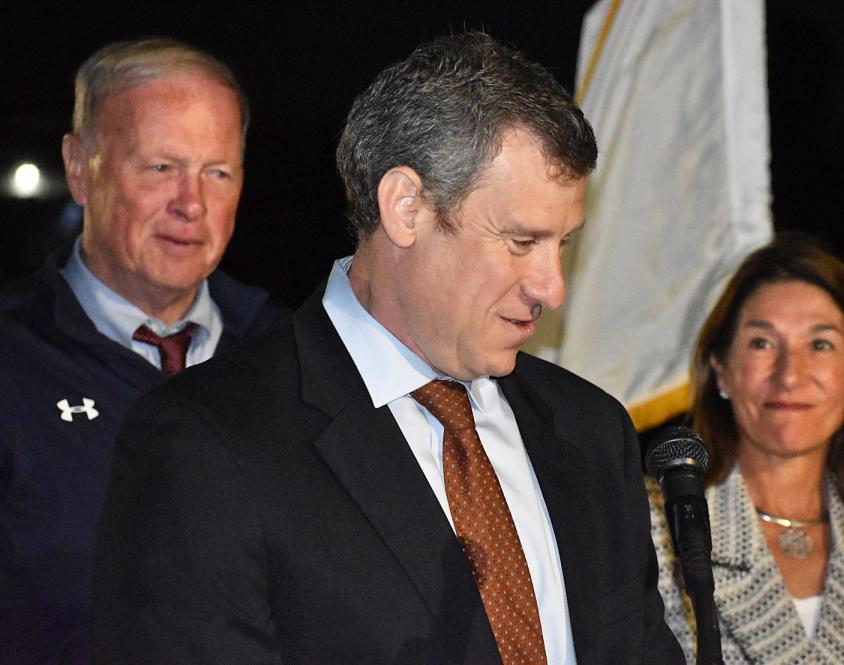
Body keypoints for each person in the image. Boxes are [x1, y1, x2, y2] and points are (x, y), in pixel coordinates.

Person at [91, 32, 684, 664]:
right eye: (520, 242)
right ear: (406, 208)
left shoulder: (590, 430)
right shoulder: (205, 444)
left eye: (562, 244)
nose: (552, 288)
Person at [0, 38, 288, 664]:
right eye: (160, 168)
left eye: (218, 172)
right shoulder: (12, 358)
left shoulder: (294, 361)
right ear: (79, 169)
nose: (192, 204)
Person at [649, 233, 844, 663]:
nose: (790, 375)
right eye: (762, 343)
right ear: (720, 369)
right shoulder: (652, 529)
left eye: (820, 345)